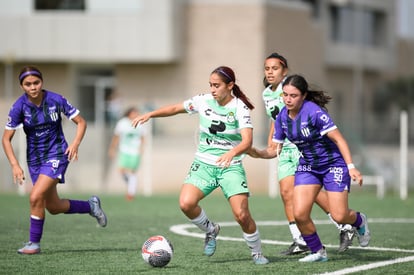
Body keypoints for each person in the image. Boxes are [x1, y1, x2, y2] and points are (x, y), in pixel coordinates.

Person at [131, 66, 269, 264]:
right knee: (186, 203)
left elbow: (247, 141)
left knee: (242, 215)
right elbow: (174, 108)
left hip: (231, 165)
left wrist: (231, 153)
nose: (213, 89)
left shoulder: (240, 107)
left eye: (217, 85)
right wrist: (151, 114)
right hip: (203, 164)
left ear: (230, 85)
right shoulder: (202, 100)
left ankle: (257, 252)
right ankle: (211, 230)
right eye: (210, 85)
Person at [249, 74, 370, 262]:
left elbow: (339, 139)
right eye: (285, 95)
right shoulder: (282, 117)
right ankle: (318, 251)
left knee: (339, 215)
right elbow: (275, 150)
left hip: (332, 165)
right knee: (299, 214)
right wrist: (256, 152)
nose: (288, 100)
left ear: (304, 96)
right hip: (308, 166)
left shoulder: (314, 112)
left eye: (294, 95)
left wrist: (351, 167)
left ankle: (360, 221)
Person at [2, 66, 107, 255]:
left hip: (57, 154)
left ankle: (34, 244)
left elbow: (81, 122)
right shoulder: (19, 107)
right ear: (22, 86)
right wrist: (14, 164)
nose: (33, 87)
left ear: (41, 82)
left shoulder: (56, 100)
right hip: (35, 160)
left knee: (35, 197)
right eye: (28, 84)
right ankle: (91, 206)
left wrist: (75, 143)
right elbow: (5, 139)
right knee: (53, 207)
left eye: (36, 82)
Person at [261, 53, 354, 254]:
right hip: (283, 147)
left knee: (300, 191)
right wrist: (271, 141)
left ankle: (344, 224)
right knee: (287, 193)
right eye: (267, 68)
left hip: (300, 147)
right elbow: (275, 118)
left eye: (274, 68)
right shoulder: (267, 94)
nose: (270, 72)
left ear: (284, 71)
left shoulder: (291, 88)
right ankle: (300, 239)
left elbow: (302, 113)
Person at [108, 107, 145, 201]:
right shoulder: (122, 123)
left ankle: (131, 193)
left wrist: (141, 148)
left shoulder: (140, 123)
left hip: (135, 151)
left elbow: (143, 137)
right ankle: (131, 184)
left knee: (132, 171)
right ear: (129, 113)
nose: (136, 114)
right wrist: (112, 148)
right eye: (134, 113)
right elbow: (116, 136)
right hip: (124, 150)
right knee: (121, 171)